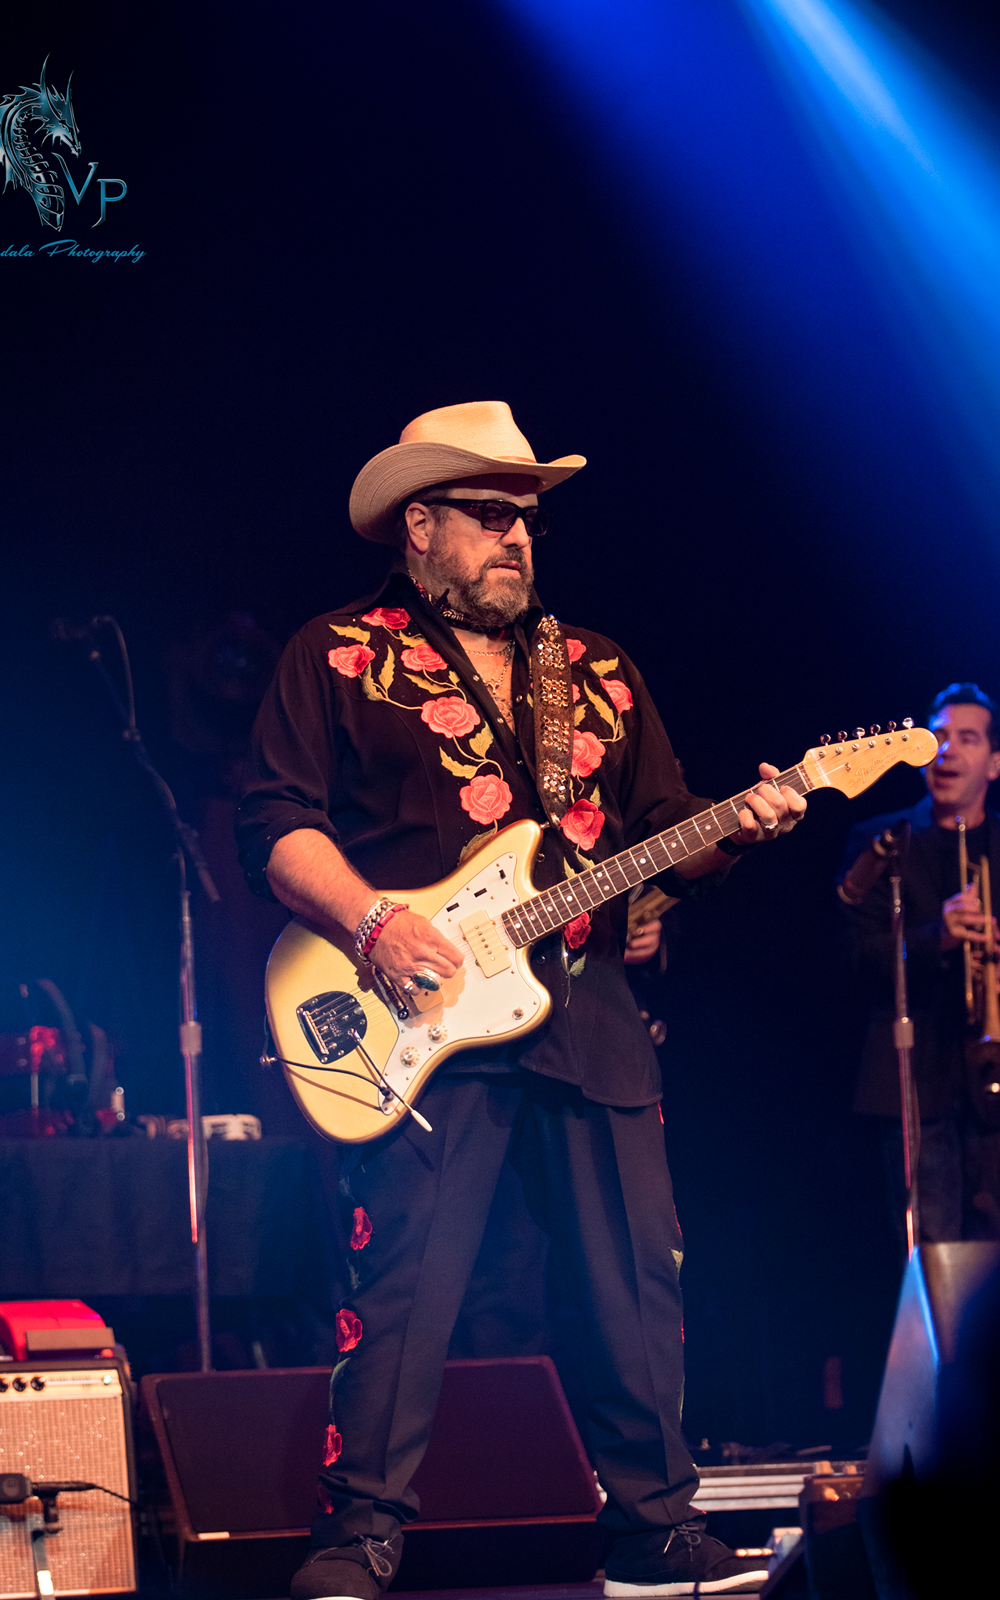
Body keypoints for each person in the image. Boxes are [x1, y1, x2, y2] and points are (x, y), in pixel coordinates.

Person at [235, 401, 805, 1598]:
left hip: (588, 1014)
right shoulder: (336, 655)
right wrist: (375, 923)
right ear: (419, 525)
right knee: (403, 1287)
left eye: (528, 519)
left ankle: (654, 1531)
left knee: (634, 1279)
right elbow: (274, 823)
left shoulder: (595, 669)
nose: (517, 538)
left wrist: (739, 829)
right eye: (490, 515)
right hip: (417, 1017)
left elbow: (661, 831)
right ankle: (358, 1537)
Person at [839, 683, 1000, 1243]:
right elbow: (853, 958)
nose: (948, 750)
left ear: (995, 762)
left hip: (993, 1088)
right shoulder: (881, 841)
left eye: (968, 738)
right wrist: (937, 939)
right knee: (935, 1263)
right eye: (940, 736)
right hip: (916, 1086)